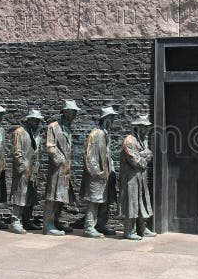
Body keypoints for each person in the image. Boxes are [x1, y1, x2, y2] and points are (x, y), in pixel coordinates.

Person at [80, 106, 119, 237]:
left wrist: (111, 170)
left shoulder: (105, 134)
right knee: (94, 201)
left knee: (106, 200)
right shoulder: (96, 134)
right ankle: (89, 227)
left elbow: (108, 154)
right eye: (112, 118)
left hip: (106, 175)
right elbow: (89, 157)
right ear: (106, 119)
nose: (113, 120)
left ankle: (101, 225)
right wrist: (98, 172)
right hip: (97, 175)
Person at [43, 100, 80, 236]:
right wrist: (61, 160)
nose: (73, 114)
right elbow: (50, 147)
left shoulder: (68, 127)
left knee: (61, 197)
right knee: (53, 196)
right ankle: (48, 225)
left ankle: (55, 221)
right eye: (71, 112)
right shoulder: (54, 127)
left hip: (65, 169)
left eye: (75, 112)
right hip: (56, 169)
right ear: (64, 112)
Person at [119, 114, 156, 240]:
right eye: (144, 127)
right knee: (132, 202)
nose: (147, 129)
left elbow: (150, 155)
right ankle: (129, 231)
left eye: (147, 127)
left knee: (142, 202)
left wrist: (144, 154)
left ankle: (142, 229)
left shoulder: (143, 140)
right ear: (138, 127)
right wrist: (143, 156)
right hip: (130, 178)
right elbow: (134, 160)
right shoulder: (129, 140)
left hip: (140, 176)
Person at [9, 109, 44, 234]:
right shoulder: (20, 132)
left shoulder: (36, 134)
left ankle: (27, 220)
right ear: (28, 119)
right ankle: (15, 221)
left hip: (33, 169)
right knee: (20, 194)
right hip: (23, 170)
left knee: (31, 195)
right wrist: (23, 167)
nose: (36, 122)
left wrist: (35, 168)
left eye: (38, 120)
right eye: (34, 119)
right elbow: (16, 152)